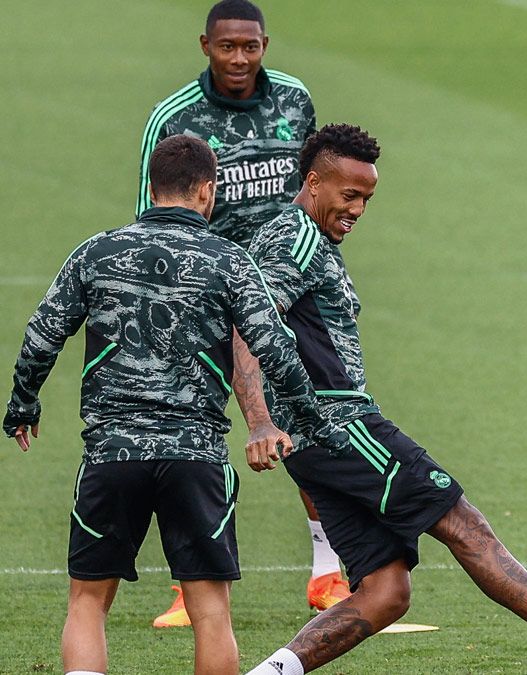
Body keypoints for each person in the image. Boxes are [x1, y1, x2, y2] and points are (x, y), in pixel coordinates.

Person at [237, 123, 527, 675]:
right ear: (313, 182)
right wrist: (257, 421)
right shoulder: (296, 237)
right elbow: (246, 328)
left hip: (313, 440)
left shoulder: (306, 239)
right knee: (462, 523)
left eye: (367, 198)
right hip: (339, 426)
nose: (358, 209)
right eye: (348, 195)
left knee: (385, 591)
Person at [3, 135, 349, 675]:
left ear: (152, 186)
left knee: (88, 602)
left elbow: (42, 335)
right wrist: (306, 419)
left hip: (112, 454)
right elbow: (274, 347)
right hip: (197, 458)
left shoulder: (97, 251)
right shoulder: (229, 259)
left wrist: (23, 404)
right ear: (208, 191)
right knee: (210, 611)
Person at [136, 0, 350, 627]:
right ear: (205, 45)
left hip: (292, 285)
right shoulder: (173, 118)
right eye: (227, 47)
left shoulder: (294, 99)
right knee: (192, 427)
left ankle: (327, 570)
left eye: (250, 47)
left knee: (312, 411)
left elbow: (320, 182)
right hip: (207, 283)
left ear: (265, 45)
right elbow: (150, 209)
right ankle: (189, 581)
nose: (239, 58)